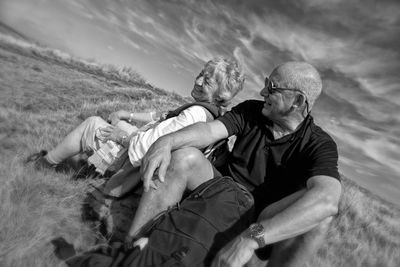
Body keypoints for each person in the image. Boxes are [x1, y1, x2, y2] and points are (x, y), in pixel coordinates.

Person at [130, 61, 342, 266]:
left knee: (319, 220)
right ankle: (131, 250)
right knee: (183, 155)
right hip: (223, 192)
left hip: (263, 222)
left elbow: (327, 199)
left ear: (296, 101)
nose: (262, 92)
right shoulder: (251, 110)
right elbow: (209, 131)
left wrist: (251, 238)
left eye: (272, 87)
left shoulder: (319, 144)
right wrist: (167, 141)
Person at [25, 57, 245, 191]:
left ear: (219, 96)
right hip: (141, 162)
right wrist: (127, 115)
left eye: (206, 81)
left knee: (93, 124)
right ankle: (83, 165)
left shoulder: (195, 114)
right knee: (119, 124)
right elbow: (159, 117)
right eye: (200, 74)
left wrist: (118, 135)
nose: (197, 81)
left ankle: (45, 163)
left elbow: (147, 146)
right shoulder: (207, 115)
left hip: (134, 168)